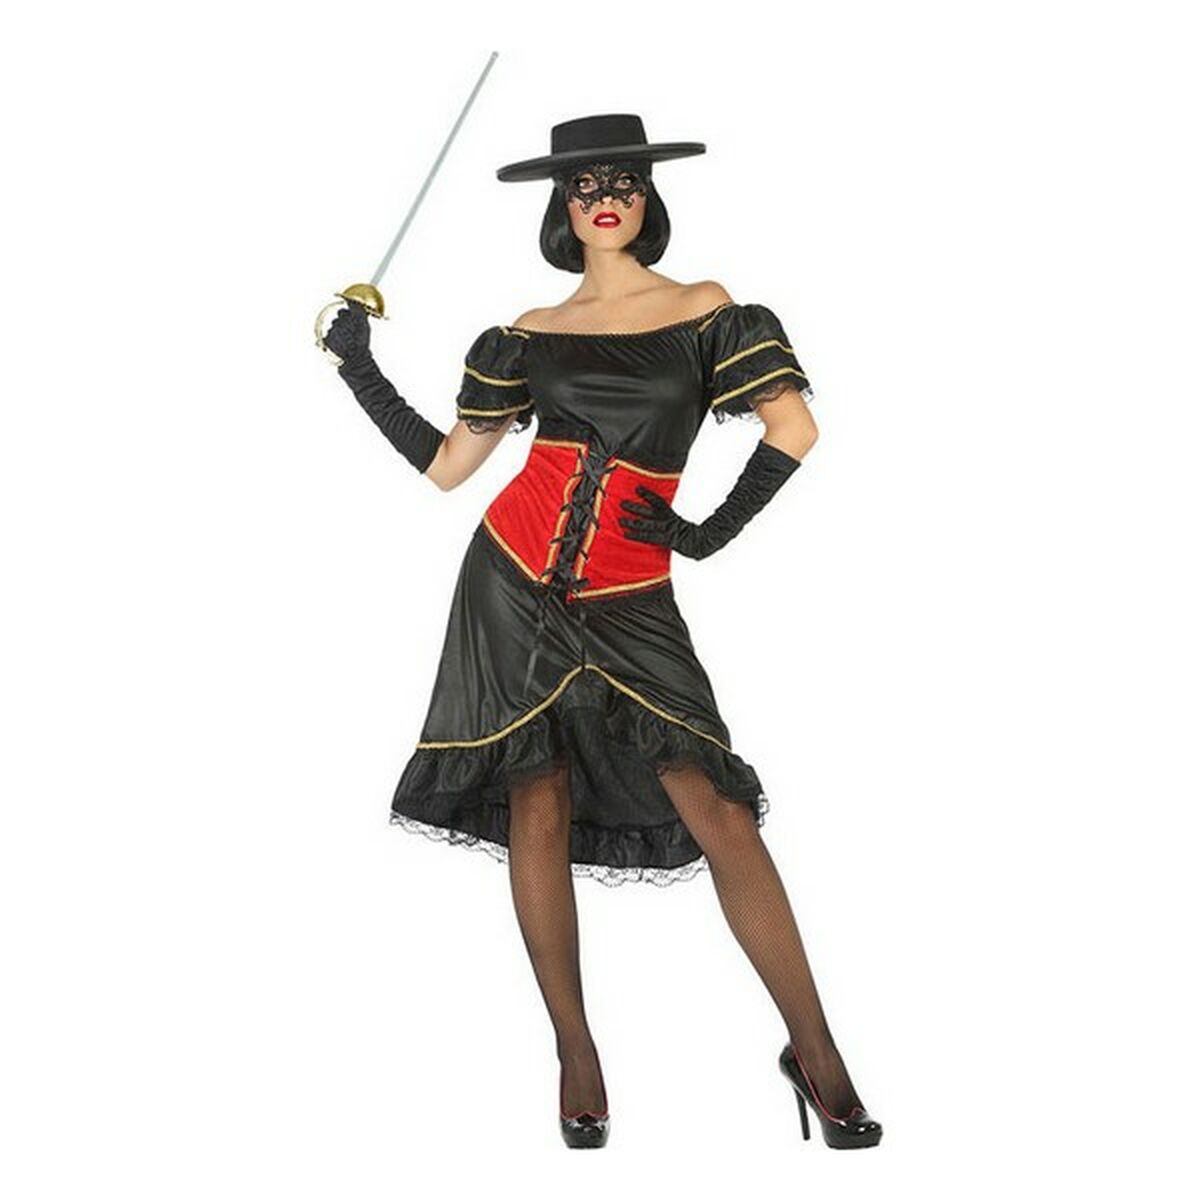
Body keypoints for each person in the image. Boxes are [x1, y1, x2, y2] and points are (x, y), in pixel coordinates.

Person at [322, 113, 882, 1151]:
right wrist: (359, 367)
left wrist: (706, 532)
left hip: (632, 591)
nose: (605, 199)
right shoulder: (530, 331)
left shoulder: (705, 309)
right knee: (536, 803)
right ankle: (576, 1055)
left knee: (719, 811)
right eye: (584, 187)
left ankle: (818, 1056)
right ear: (562, 208)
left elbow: (794, 426)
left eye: (622, 181)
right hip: (510, 583)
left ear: (647, 196)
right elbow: (451, 467)